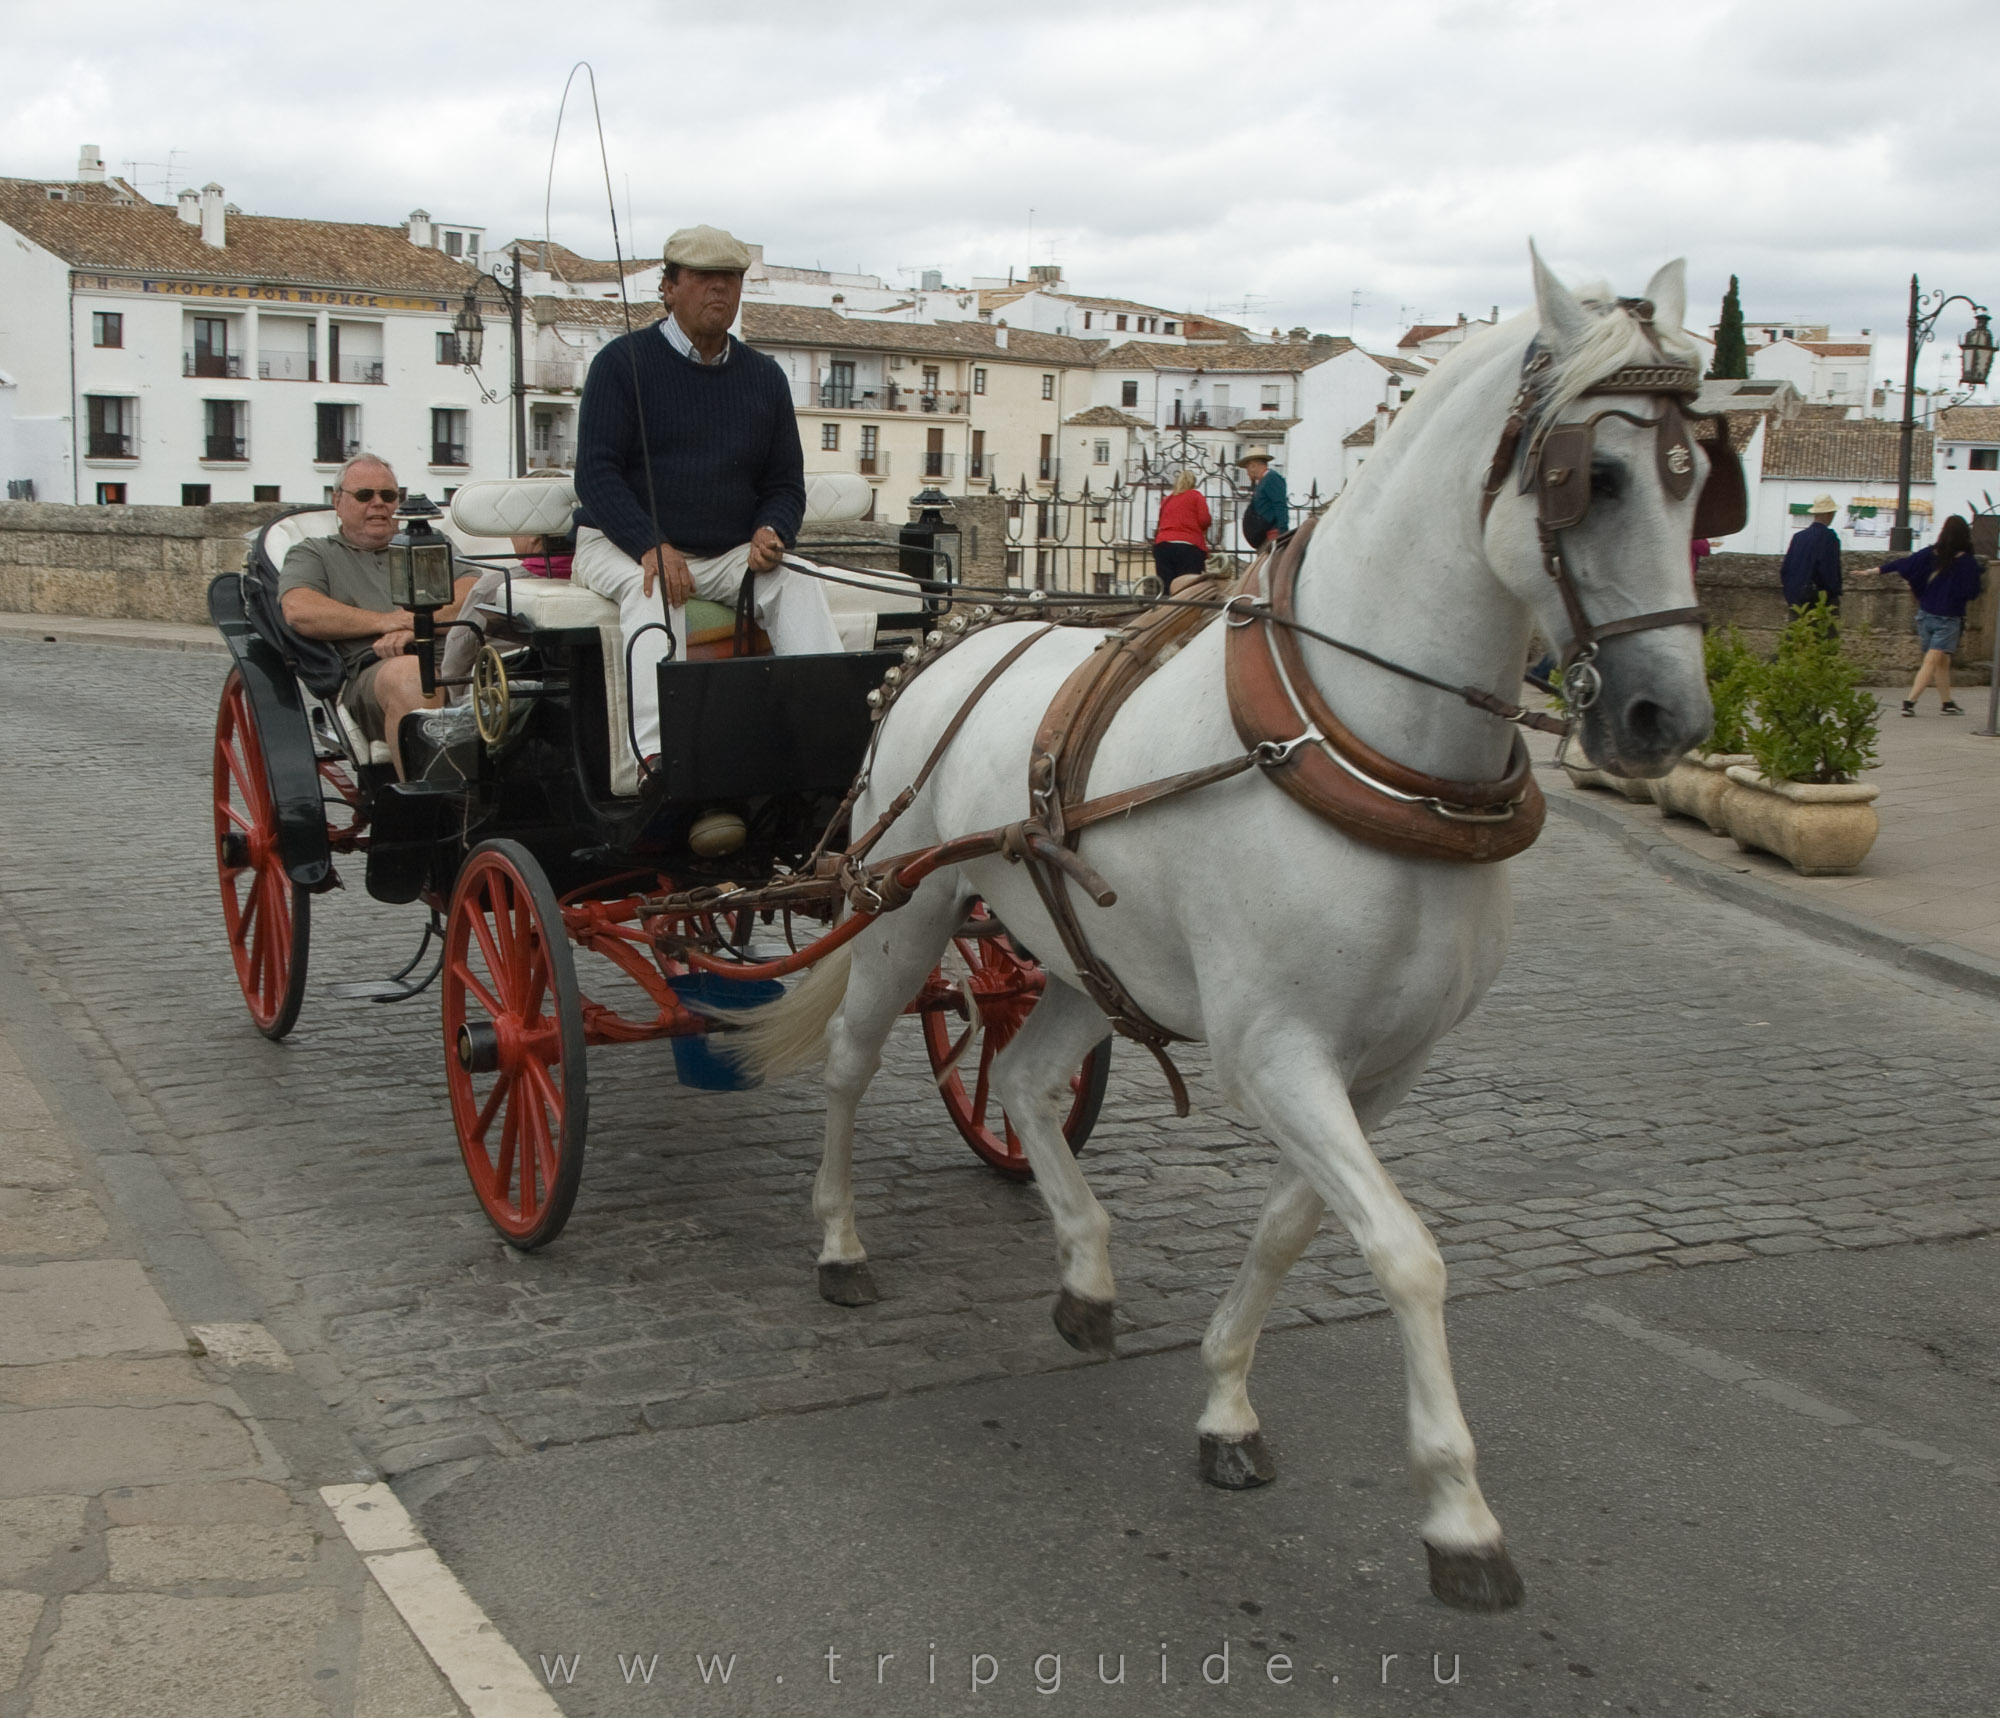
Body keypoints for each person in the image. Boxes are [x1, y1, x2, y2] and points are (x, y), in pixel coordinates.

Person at [572, 223, 841, 768]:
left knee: (795, 579)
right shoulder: (621, 364)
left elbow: (784, 482)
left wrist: (773, 531)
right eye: (703, 277)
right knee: (655, 591)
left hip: (724, 552)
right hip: (619, 543)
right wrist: (651, 543)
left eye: (731, 278)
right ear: (668, 288)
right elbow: (596, 475)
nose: (719, 289)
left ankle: (832, 735)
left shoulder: (764, 378)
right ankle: (656, 757)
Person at [278, 455, 477, 777]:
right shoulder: (314, 553)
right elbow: (300, 610)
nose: (378, 504)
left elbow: (473, 589)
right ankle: (437, 806)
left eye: (388, 496)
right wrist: (385, 622)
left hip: (458, 660)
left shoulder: (428, 543)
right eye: (364, 495)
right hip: (373, 675)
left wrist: (417, 625)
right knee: (413, 674)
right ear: (338, 501)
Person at [438, 469, 574, 692]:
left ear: (533, 532)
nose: (510, 534)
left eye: (514, 523)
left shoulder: (494, 588)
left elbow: (454, 668)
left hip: (506, 710)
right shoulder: (598, 582)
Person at [1882, 513, 1984, 716]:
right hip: (1948, 618)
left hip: (1926, 614)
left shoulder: (1931, 554)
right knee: (1932, 661)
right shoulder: (1967, 562)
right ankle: (1909, 702)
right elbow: (1971, 591)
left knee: (1941, 662)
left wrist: (1878, 570)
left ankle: (1947, 703)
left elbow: (1906, 564)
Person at [1778, 494, 1843, 612]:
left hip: (1797, 603)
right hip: (1819, 604)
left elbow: (1785, 570)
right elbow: (1829, 572)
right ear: (1830, 514)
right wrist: (1833, 594)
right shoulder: (1829, 538)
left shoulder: (1798, 537)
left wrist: (1791, 596)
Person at [1151, 470, 1211, 594]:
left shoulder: (1167, 499)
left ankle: (1167, 611)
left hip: (1163, 546)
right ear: (1193, 483)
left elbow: (1161, 521)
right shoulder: (1196, 496)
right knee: (1188, 589)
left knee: (1167, 589)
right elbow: (1204, 520)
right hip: (1188, 547)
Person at [1238, 448, 1290, 549]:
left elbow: (1280, 505)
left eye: (1247, 467)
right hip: (1265, 537)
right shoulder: (1263, 481)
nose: (1247, 472)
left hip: (1272, 535)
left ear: (1254, 465)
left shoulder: (1271, 478)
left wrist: (1282, 533)